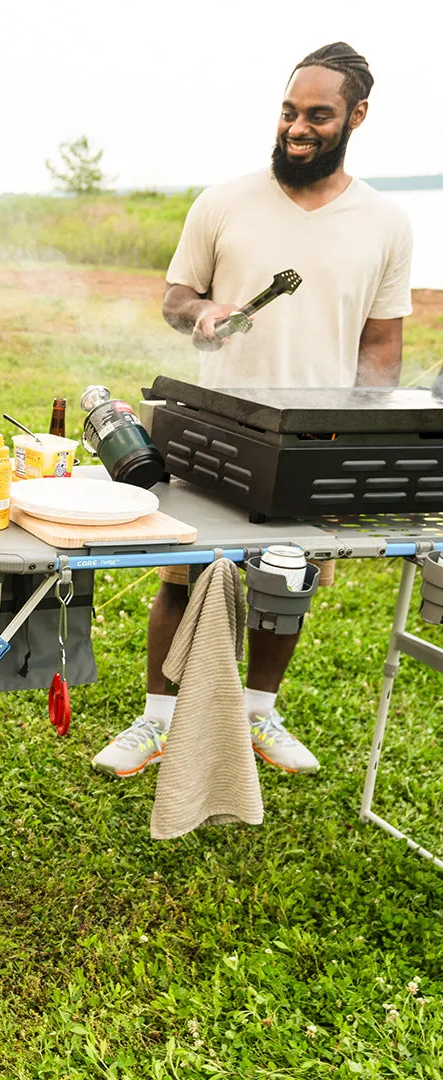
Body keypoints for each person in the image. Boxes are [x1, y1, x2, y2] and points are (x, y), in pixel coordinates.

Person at [92, 42, 413, 779]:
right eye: (289, 111)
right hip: (216, 424)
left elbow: (383, 345)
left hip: (313, 437)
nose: (297, 128)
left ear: (357, 116)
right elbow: (177, 299)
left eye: (318, 116)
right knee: (184, 574)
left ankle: (258, 714)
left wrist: (363, 433)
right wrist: (202, 316)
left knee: (287, 581)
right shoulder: (224, 201)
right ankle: (158, 720)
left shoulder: (387, 223)